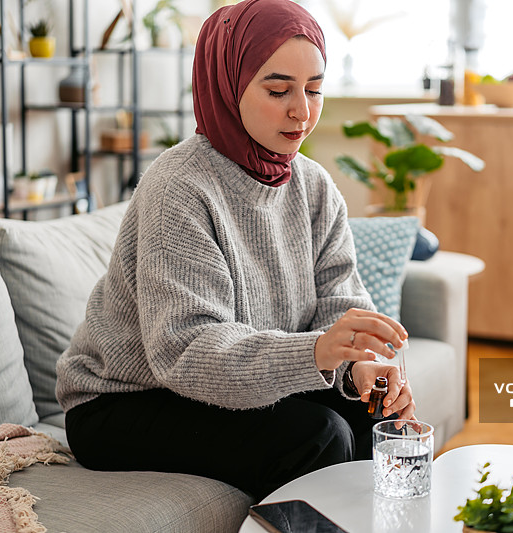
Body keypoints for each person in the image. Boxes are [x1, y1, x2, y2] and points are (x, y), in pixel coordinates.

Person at [56, 0, 415, 500]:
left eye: (314, 89)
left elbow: (340, 307)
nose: (302, 111)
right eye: (278, 89)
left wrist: (363, 369)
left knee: (379, 418)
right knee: (318, 438)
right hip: (125, 401)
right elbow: (186, 351)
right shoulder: (178, 186)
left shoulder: (314, 187)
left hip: (232, 382)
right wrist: (315, 351)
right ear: (227, 84)